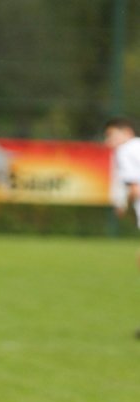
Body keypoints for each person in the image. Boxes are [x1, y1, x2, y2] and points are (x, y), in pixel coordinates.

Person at [104, 117, 140, 337]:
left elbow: (135, 189)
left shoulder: (125, 151)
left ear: (126, 132)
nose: (108, 141)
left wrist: (123, 202)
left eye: (110, 135)